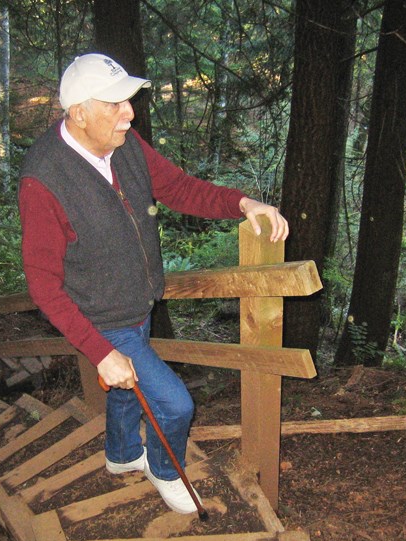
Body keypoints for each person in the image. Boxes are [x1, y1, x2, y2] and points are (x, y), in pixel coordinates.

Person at [18, 53, 288, 514]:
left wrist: (243, 203)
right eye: (116, 104)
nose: (130, 113)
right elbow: (43, 285)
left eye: (129, 101)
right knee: (176, 405)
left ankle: (123, 456)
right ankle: (166, 470)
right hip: (101, 319)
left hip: (138, 306)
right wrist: (101, 351)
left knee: (129, 387)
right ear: (79, 112)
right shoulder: (44, 181)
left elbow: (180, 189)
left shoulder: (125, 145)